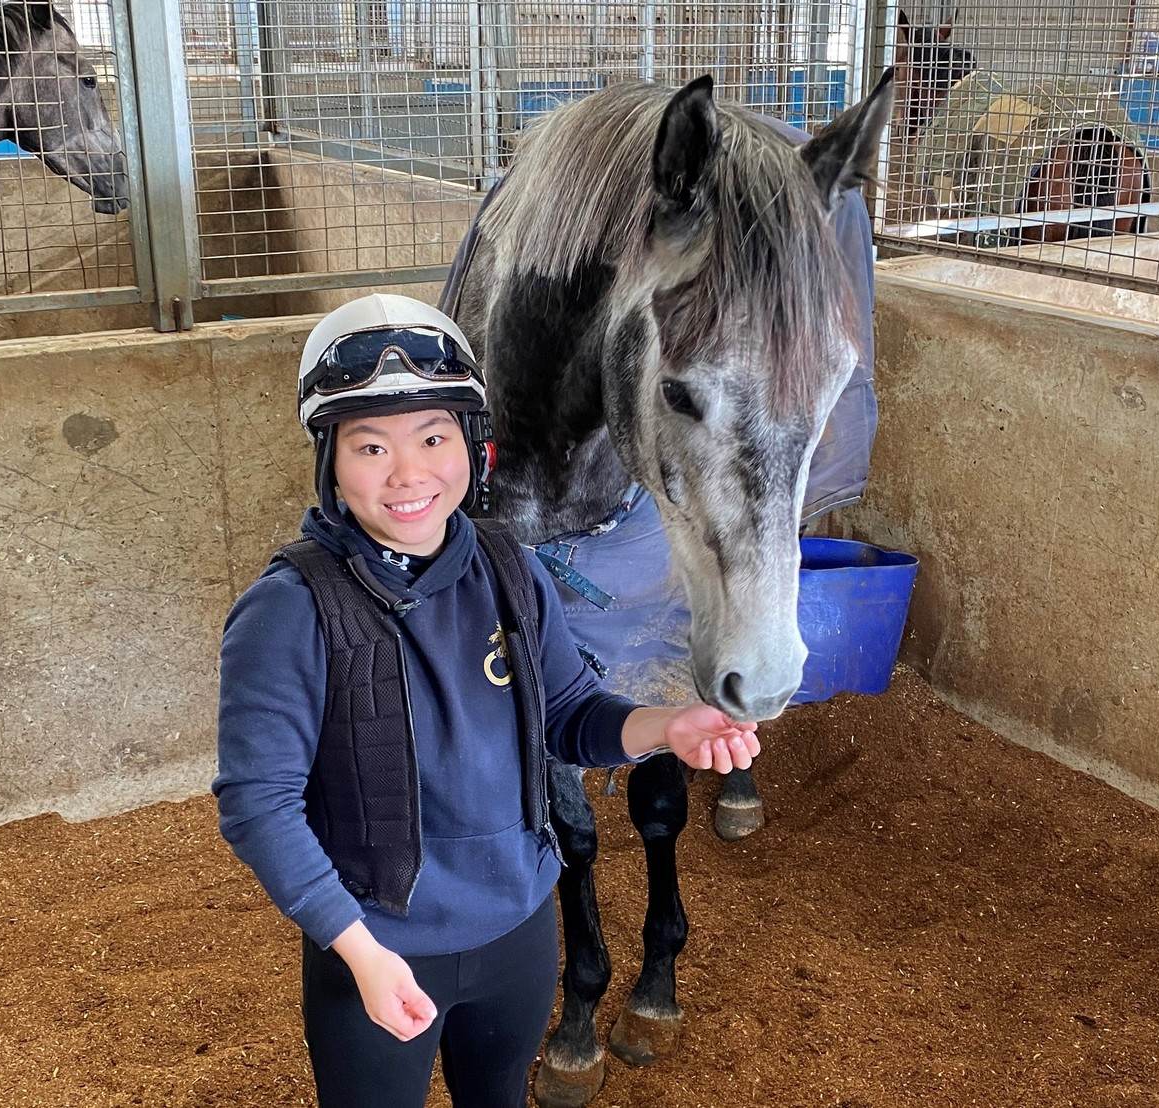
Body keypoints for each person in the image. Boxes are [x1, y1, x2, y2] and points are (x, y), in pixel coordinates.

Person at [213, 293, 761, 1108]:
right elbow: (258, 803)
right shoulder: (290, 610)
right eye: (371, 446)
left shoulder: (510, 568)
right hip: (379, 943)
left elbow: (569, 714)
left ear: (472, 445)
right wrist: (357, 951)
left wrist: (666, 725)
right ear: (329, 460)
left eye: (433, 438)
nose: (408, 474)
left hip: (517, 931)